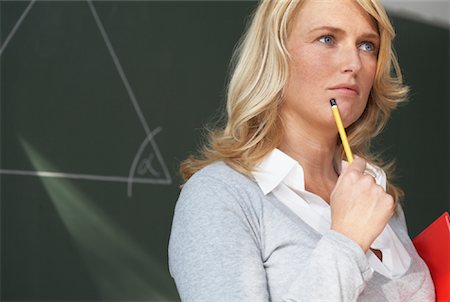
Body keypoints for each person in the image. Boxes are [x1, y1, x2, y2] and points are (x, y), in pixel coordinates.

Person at [168, 0, 435, 301]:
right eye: (327, 39)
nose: (354, 63)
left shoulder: (377, 198)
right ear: (275, 56)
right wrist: (347, 241)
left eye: (367, 45)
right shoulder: (219, 196)